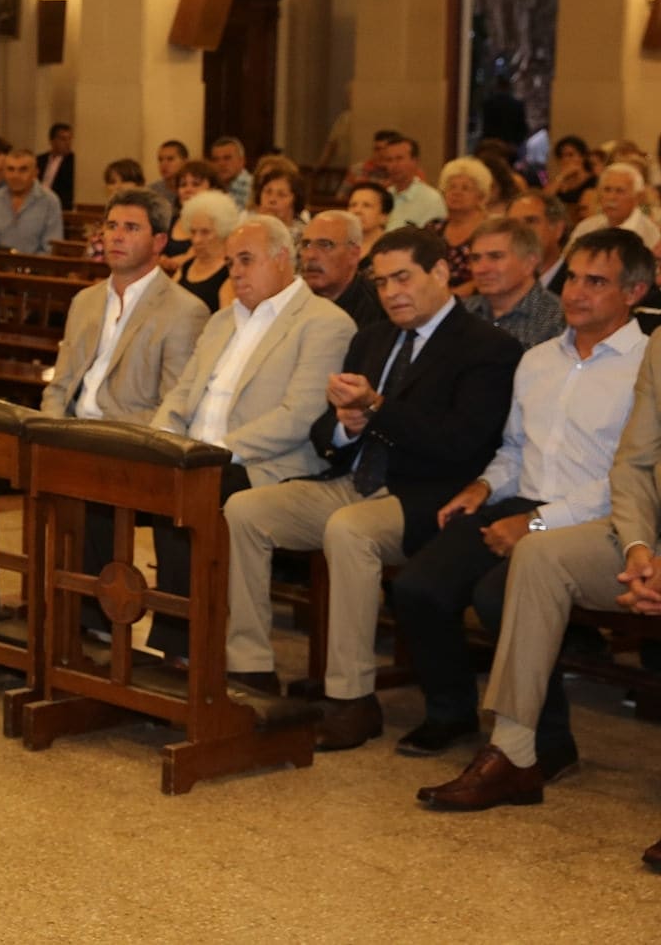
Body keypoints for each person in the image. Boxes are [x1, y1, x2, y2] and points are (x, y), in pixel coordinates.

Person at [221, 228, 522, 746]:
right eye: (381, 282)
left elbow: (460, 444)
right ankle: (250, 669)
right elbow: (325, 431)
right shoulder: (374, 338)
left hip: (428, 495)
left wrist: (378, 410)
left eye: (403, 277)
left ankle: (351, 698)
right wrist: (345, 425)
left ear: (442, 273)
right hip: (350, 480)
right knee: (245, 511)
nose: (391, 293)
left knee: (349, 531)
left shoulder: (486, 348)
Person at [397, 230, 651, 774]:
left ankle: (547, 741)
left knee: (498, 594)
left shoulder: (645, 367)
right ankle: (453, 711)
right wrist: (485, 486)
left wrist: (535, 523)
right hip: (523, 499)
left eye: (597, 282)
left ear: (634, 292)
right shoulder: (539, 359)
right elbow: (515, 449)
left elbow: (628, 476)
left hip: (596, 517)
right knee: (419, 584)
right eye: (573, 279)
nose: (577, 293)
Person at [148, 217, 355, 659]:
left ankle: (184, 648)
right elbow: (182, 392)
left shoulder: (324, 323)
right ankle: (109, 627)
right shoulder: (223, 320)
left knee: (187, 489)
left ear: (283, 259)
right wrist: (164, 437)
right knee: (130, 477)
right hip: (197, 454)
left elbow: (297, 417)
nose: (235, 272)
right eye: (230, 263)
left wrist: (213, 453)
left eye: (246, 260)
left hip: (269, 465)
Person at [42, 189, 207, 424]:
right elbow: (58, 388)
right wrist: (50, 428)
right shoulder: (84, 301)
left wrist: (108, 440)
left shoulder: (185, 311)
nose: (116, 236)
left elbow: (172, 409)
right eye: (111, 226)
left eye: (131, 228)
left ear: (158, 242)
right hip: (69, 432)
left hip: (127, 443)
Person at [461, 219, 564, 347]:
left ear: (529, 262)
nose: (481, 269)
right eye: (475, 258)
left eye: (495, 257)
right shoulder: (462, 312)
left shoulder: (557, 318)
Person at [299, 210, 386, 330]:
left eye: (325, 245)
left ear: (353, 254)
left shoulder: (376, 309)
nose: (311, 255)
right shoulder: (293, 299)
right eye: (306, 245)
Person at [0, 149, 63, 254]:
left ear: (35, 173)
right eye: (10, 169)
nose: (16, 176)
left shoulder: (50, 202)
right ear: (4, 172)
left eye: (23, 170)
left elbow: (50, 249)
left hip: (36, 268)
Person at [428, 157, 493, 292]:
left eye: (465, 188)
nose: (456, 192)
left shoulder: (491, 230)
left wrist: (455, 296)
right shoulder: (433, 228)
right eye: (451, 187)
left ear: (480, 196)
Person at [570, 161, 661, 250]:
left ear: (637, 197)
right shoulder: (586, 228)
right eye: (607, 190)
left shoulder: (651, 235)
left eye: (620, 191)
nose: (611, 197)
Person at [172, 190, 238, 311]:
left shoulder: (232, 272)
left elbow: (226, 322)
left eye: (205, 232)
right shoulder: (186, 267)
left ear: (222, 231)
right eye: (193, 232)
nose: (197, 239)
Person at [159, 160, 222, 270]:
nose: (188, 190)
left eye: (195, 184)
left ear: (213, 188)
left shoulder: (219, 224)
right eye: (183, 185)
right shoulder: (168, 222)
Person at [508, 191, 572, 291]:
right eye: (513, 224)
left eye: (530, 221)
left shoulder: (574, 284)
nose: (520, 231)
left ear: (558, 229)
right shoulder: (498, 285)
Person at [382, 135, 445, 228]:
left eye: (399, 158)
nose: (393, 165)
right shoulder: (384, 195)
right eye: (389, 160)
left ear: (415, 161)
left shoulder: (431, 199)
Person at [343, 180, 393, 273]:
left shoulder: (391, 250)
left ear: (384, 216)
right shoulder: (340, 245)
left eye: (367, 205)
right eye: (353, 205)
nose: (357, 211)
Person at [548, 134, 597, 212]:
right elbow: (544, 199)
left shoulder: (594, 181)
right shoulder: (559, 181)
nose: (565, 159)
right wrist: (562, 176)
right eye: (562, 156)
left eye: (570, 155)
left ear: (582, 157)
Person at [209, 135, 252, 208]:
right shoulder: (210, 186)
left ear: (242, 161)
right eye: (215, 159)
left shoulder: (252, 187)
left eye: (227, 158)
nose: (221, 164)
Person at [41, 122, 76, 206]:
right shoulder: (40, 160)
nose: (68, 143)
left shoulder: (73, 162)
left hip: (60, 206)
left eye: (69, 139)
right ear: (52, 140)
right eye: (63, 139)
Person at [149, 139, 189, 204]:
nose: (163, 164)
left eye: (170, 159)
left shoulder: (192, 190)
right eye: (160, 160)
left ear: (185, 162)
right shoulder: (151, 192)